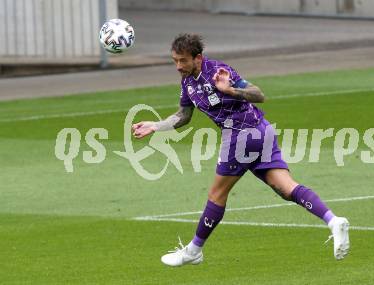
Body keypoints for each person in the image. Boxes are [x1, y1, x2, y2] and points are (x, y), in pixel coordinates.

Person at [132, 33, 349, 266]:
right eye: (175, 60)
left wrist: (231, 90)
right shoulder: (187, 83)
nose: (178, 66)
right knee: (286, 188)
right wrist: (155, 125)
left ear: (198, 58)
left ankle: (194, 250)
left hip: (241, 136)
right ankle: (333, 220)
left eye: (183, 60)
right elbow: (183, 115)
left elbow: (259, 94)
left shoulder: (218, 71)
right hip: (259, 133)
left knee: (217, 195)